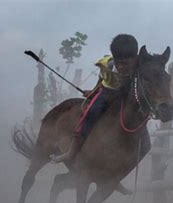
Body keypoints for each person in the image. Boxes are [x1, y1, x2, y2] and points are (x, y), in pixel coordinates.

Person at [51, 34, 138, 163]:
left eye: (126, 64)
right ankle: (71, 153)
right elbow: (102, 79)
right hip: (107, 92)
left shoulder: (139, 67)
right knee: (91, 113)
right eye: (119, 63)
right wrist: (93, 92)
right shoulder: (108, 65)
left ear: (135, 60)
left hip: (125, 95)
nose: (121, 68)